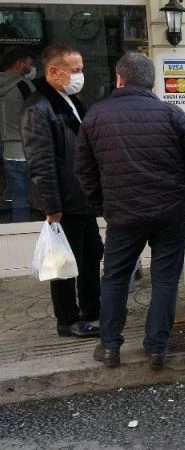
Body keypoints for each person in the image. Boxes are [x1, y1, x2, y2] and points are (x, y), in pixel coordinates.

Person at [75, 53, 185, 369]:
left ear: (119, 79)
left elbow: (84, 171)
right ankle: (157, 347)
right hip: (171, 212)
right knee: (164, 278)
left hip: (123, 215)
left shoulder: (95, 116)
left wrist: (102, 206)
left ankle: (109, 346)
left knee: (115, 278)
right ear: (152, 82)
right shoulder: (171, 114)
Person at [21, 44, 103, 338]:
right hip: (64, 202)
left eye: (81, 69)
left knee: (91, 253)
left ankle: (93, 307)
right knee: (66, 263)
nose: (81, 76)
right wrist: (51, 207)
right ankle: (67, 320)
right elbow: (41, 163)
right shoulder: (38, 109)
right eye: (76, 70)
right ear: (54, 72)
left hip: (81, 198)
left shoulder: (68, 101)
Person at [0, 46, 36, 222]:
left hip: (7, 150)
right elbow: (37, 116)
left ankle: (17, 234)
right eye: (30, 64)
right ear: (19, 64)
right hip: (26, 149)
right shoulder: (24, 85)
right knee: (37, 199)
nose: (32, 68)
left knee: (17, 198)